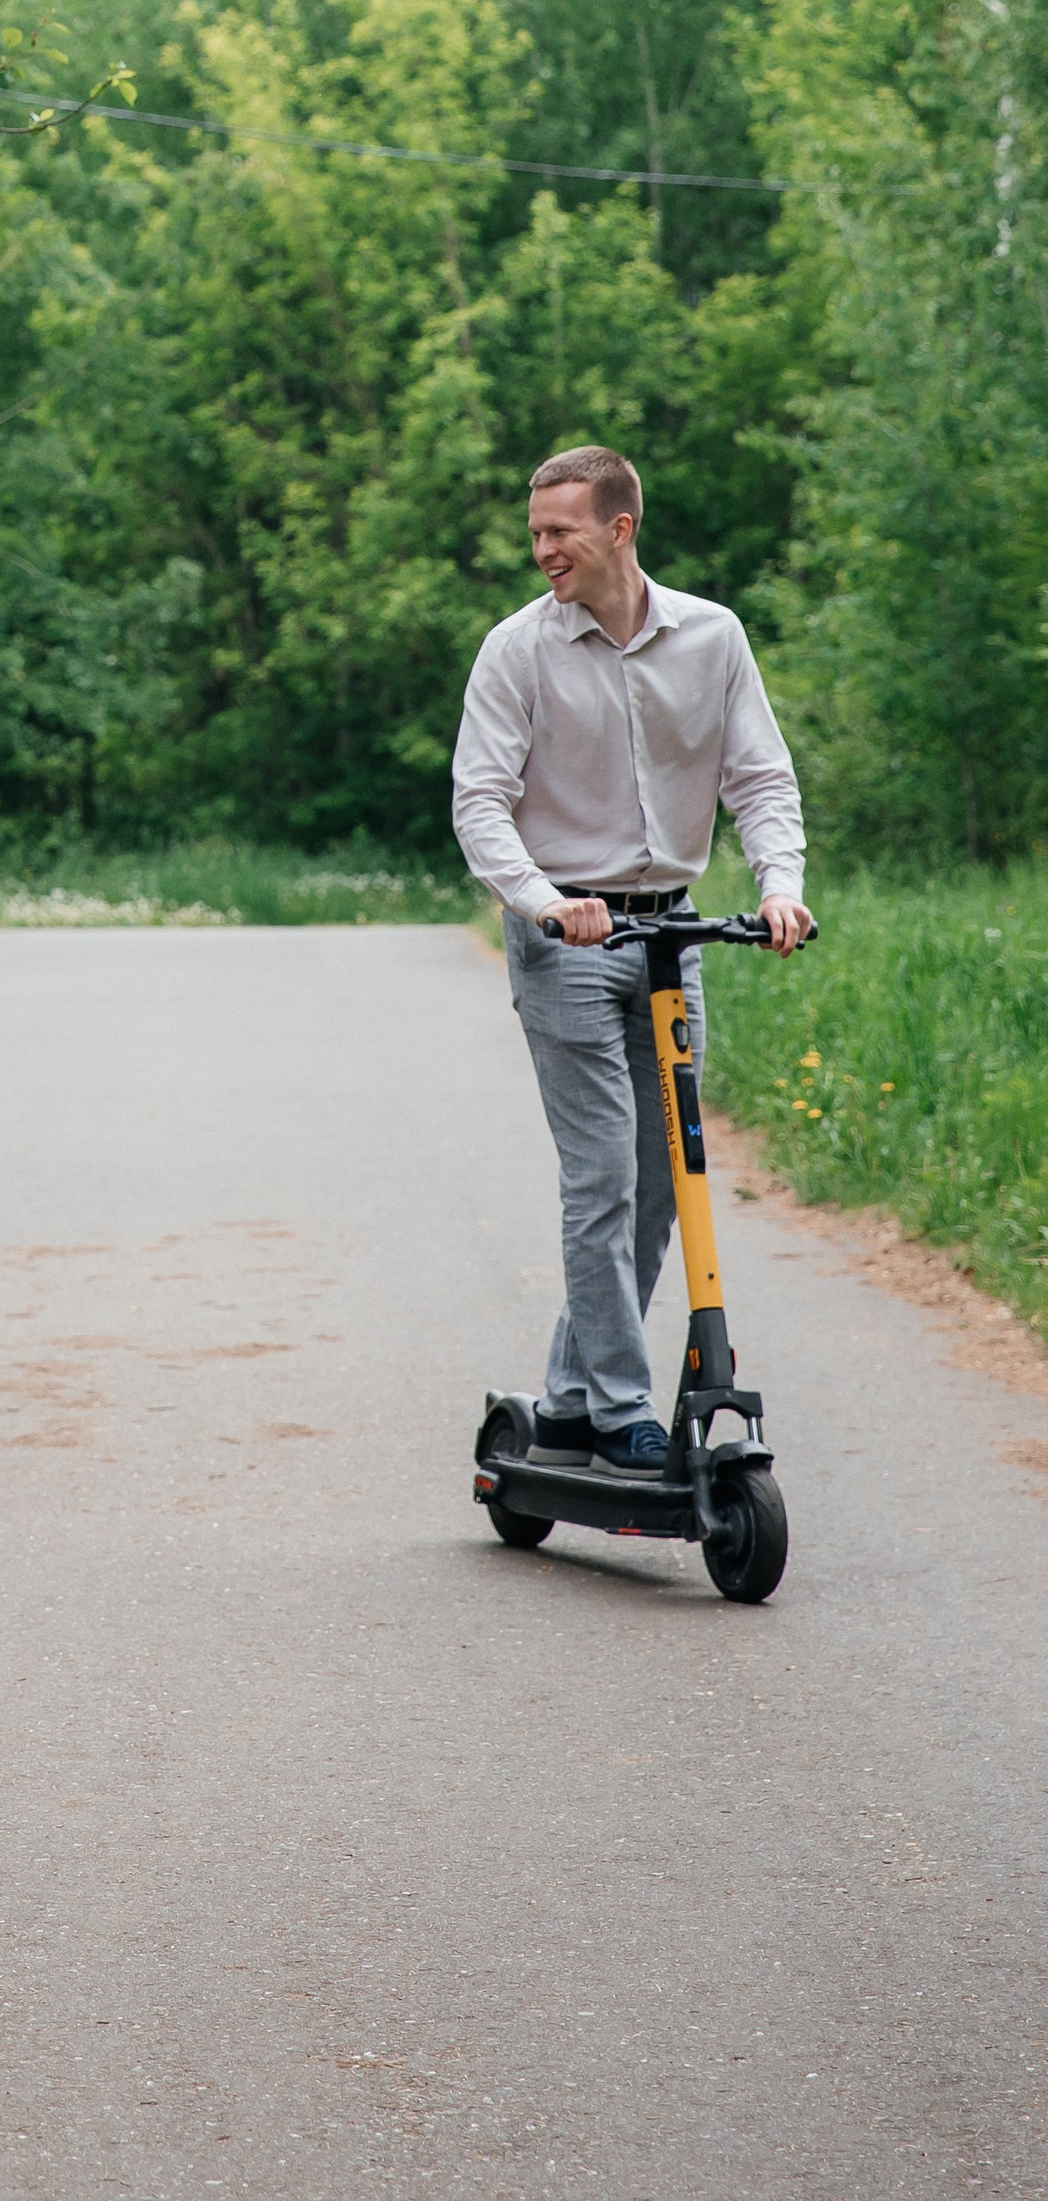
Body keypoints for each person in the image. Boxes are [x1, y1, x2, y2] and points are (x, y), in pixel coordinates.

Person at [451, 444, 812, 1472]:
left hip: (670, 934)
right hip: (564, 940)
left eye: (559, 531)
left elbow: (759, 778)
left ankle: (572, 1395)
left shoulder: (712, 637)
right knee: (603, 1176)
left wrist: (779, 886)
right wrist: (541, 902)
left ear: (619, 528)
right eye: (534, 533)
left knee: (667, 1178)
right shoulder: (516, 651)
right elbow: (479, 803)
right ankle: (619, 1413)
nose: (542, 550)